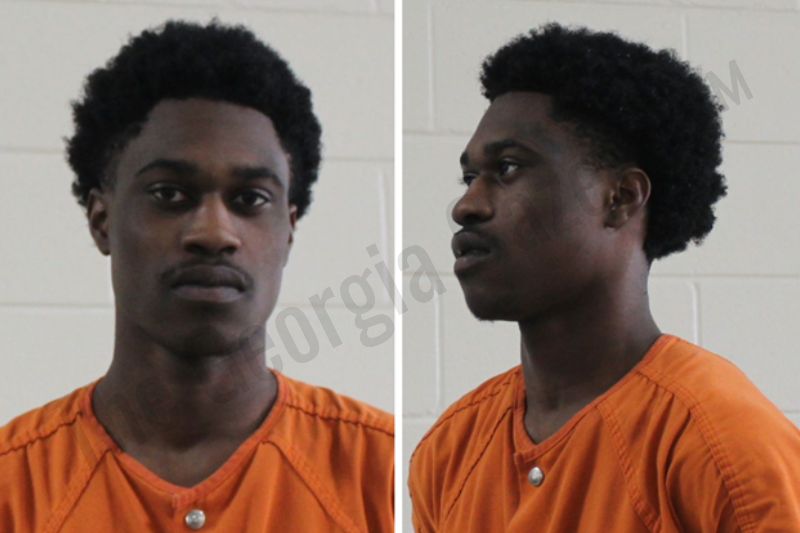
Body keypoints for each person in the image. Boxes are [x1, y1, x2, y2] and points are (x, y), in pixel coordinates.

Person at [0, 20, 393, 532]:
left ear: (288, 231)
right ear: (101, 220)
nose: (213, 232)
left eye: (250, 199)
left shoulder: (381, 472)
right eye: (169, 194)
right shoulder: (14, 484)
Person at [409, 23, 800, 532]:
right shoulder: (449, 451)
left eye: (507, 168)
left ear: (621, 198)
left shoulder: (720, 441)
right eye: (469, 177)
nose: (467, 205)